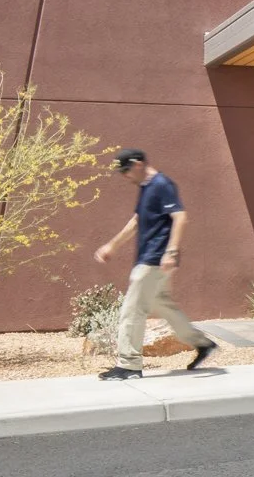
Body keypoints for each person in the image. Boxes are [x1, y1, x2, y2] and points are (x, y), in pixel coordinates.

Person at [93, 148, 217, 379]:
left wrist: (171, 252)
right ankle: (202, 343)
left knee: (133, 309)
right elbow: (137, 220)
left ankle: (129, 365)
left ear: (138, 163)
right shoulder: (146, 188)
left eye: (126, 170)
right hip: (150, 258)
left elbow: (180, 217)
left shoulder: (162, 184)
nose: (125, 176)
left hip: (156, 258)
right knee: (165, 306)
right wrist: (112, 245)